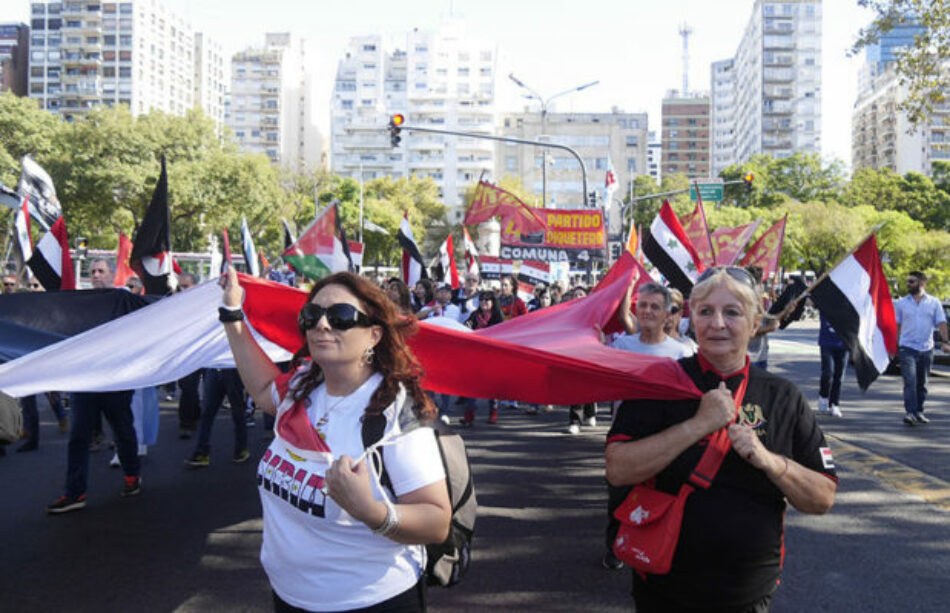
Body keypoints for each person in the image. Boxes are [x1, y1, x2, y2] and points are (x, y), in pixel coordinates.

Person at [218, 264, 450, 612]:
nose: (322, 325)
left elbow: (436, 522)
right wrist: (232, 313)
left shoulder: (393, 411)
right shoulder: (301, 384)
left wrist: (371, 511)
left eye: (341, 316)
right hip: (289, 597)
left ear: (374, 335)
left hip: (372, 601)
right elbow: (265, 391)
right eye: (312, 315)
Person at [605, 266, 837, 611]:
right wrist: (696, 426)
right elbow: (618, 470)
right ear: (691, 320)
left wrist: (769, 460)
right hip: (663, 586)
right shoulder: (659, 384)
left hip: (748, 592)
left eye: (732, 312)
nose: (717, 324)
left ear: (755, 322)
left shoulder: (783, 396)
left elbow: (822, 497)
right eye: (705, 311)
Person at [47, 259, 142, 514]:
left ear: (112, 275)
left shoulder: (123, 300)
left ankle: (132, 475)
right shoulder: (81, 303)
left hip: (115, 382)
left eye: (102, 271)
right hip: (85, 381)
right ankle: (74, 492)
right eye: (93, 272)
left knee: (123, 432)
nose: (96, 275)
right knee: (78, 436)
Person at [895, 271, 949, 425]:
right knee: (910, 381)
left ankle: (919, 411)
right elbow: (897, 325)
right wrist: (894, 344)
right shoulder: (902, 303)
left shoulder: (934, 303)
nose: (908, 284)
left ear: (922, 283)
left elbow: (942, 323)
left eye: (912, 281)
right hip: (907, 347)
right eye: (908, 282)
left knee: (922, 383)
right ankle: (910, 412)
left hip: (926, 348)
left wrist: (945, 342)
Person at [462, 290, 505, 425]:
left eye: (487, 300)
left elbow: (502, 334)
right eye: (481, 300)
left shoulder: (498, 316)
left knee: (492, 387)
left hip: (493, 356)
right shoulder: (475, 315)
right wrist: (468, 328)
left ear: (493, 302)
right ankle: (469, 415)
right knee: (471, 387)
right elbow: (465, 328)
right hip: (476, 355)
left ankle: (493, 413)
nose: (484, 303)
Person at [816, 314, 847, 418]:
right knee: (828, 372)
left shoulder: (849, 303)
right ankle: (823, 396)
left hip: (843, 344)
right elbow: (811, 301)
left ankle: (834, 404)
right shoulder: (826, 300)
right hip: (826, 343)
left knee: (839, 376)